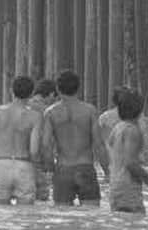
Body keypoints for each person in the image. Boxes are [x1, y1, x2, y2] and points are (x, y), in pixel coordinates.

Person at [42, 70, 109, 206]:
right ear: (78, 88)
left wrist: (51, 169)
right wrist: (108, 171)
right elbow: (99, 144)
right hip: (85, 168)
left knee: (63, 220)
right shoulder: (89, 110)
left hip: (63, 169)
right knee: (91, 216)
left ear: (57, 89)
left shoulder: (50, 112)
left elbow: (46, 145)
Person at [0, 76, 41, 205]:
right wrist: (37, 171)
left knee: (1, 213)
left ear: (11, 90)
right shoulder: (35, 116)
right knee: (25, 214)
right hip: (23, 164)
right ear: (31, 93)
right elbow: (34, 151)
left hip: (2, 164)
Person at [108, 88, 148, 214]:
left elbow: (111, 148)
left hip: (115, 187)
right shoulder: (133, 131)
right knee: (135, 219)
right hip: (129, 189)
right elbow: (130, 163)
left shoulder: (117, 128)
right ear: (140, 110)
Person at [28, 78, 57, 201]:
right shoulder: (48, 111)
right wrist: (50, 166)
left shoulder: (23, 104)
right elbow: (46, 142)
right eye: (55, 97)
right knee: (41, 200)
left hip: (14, 161)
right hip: (37, 163)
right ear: (51, 94)